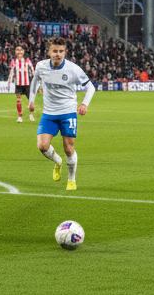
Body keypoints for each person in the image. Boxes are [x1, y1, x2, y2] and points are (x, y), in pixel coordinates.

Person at [29, 36, 95, 191]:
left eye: (60, 51)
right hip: (49, 113)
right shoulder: (41, 66)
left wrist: (84, 103)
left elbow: (90, 87)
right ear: (49, 52)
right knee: (42, 146)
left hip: (68, 113)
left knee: (68, 148)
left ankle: (71, 179)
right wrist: (31, 100)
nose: (57, 54)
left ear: (65, 52)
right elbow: (35, 82)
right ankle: (58, 161)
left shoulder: (73, 69)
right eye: (54, 51)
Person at [8, 45, 36, 123]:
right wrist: (9, 80)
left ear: (23, 51)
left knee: (30, 100)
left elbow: (32, 70)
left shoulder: (27, 61)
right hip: (18, 84)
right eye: (17, 50)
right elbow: (11, 72)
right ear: (15, 52)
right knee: (18, 99)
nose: (19, 51)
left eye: (21, 50)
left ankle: (31, 114)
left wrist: (35, 80)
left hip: (27, 84)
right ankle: (20, 116)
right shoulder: (13, 61)